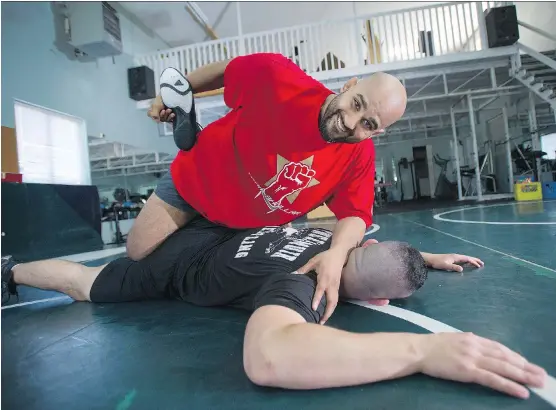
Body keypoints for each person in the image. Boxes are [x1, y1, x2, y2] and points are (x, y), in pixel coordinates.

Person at [0, 219, 545, 399]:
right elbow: (269, 357)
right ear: (377, 301)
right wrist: (424, 349)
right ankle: (8, 272)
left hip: (208, 227)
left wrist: (425, 257)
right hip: (171, 271)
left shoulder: (326, 235)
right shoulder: (300, 287)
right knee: (85, 283)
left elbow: (372, 251)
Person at [132, 52, 412, 324]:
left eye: (367, 123)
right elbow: (225, 71)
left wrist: (337, 255)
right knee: (138, 252)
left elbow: (355, 214)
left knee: (198, 280)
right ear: (349, 86)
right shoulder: (277, 77)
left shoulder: (359, 155)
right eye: (356, 103)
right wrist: (180, 89)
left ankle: (203, 229)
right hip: (198, 180)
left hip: (247, 227)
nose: (350, 122)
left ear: (377, 132)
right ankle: (195, 129)